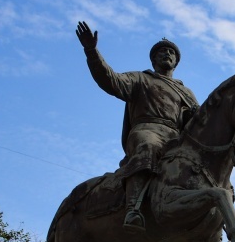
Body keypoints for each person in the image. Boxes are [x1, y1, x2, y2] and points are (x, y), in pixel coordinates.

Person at [76, 21, 200, 231]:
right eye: (161, 52)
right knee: (148, 147)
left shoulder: (186, 92)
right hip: (147, 130)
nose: (167, 54)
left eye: (171, 52)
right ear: (153, 59)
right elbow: (110, 80)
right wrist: (91, 51)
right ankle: (133, 208)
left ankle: (208, 227)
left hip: (175, 138)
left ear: (176, 61)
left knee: (203, 165)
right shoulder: (140, 79)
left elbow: (196, 124)